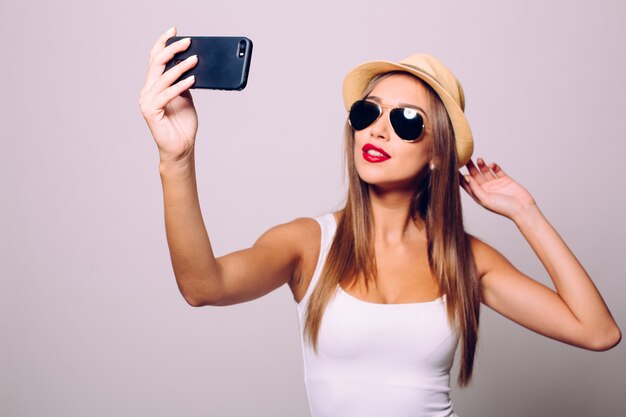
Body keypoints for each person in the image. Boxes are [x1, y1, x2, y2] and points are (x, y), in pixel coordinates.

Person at [139, 27, 621, 417]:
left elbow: (598, 333)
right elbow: (204, 286)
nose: (379, 128)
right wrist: (176, 159)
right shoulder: (309, 244)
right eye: (368, 112)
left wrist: (525, 212)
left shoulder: (465, 261)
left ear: (437, 153)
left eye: (408, 120)